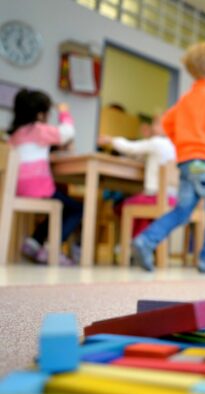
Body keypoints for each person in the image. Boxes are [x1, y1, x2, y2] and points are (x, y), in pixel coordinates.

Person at [131, 41, 205, 274]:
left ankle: (146, 240)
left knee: (182, 210)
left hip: (187, 163)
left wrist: (184, 146)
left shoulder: (188, 97)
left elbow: (167, 122)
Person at [8, 89, 82, 265]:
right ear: (41, 115)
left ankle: (34, 242)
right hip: (37, 188)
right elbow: (67, 132)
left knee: (59, 204)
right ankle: (51, 249)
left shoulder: (15, 135)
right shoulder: (39, 130)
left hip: (15, 188)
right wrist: (64, 112)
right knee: (76, 208)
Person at [98, 115, 177, 237]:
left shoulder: (156, 142)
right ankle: (141, 241)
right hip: (172, 199)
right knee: (142, 211)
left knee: (123, 206)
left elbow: (130, 148)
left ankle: (133, 241)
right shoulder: (173, 147)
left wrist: (111, 140)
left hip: (155, 198)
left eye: (156, 124)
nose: (152, 127)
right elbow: (144, 155)